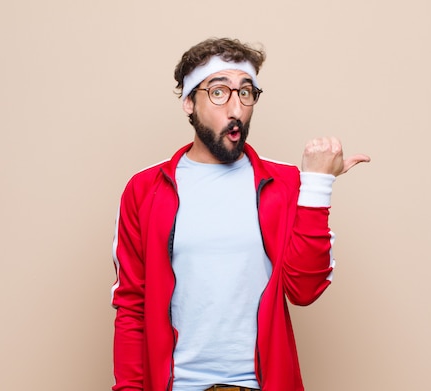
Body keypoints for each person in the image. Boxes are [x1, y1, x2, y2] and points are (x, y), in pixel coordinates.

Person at [111, 37, 370, 391]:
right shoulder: (146, 190)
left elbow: (304, 289)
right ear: (189, 102)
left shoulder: (287, 183)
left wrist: (317, 185)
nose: (236, 109)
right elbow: (132, 305)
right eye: (219, 92)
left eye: (246, 93)